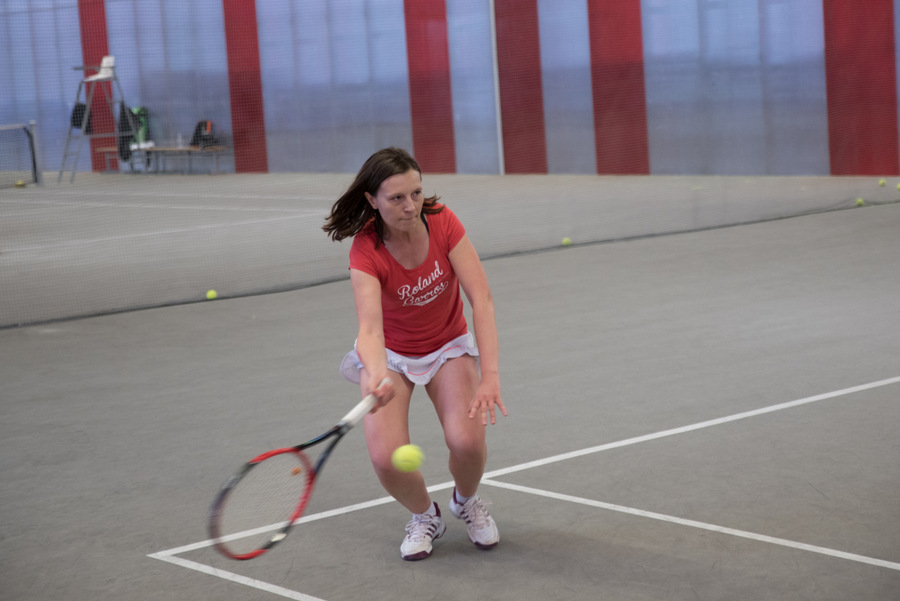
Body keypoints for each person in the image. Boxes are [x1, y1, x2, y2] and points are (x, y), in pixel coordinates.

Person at [323, 147, 507, 561]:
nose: (410, 206)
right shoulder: (366, 249)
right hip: (392, 354)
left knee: (467, 442)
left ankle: (466, 500)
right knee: (388, 459)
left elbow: (481, 298)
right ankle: (426, 515)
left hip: (447, 345)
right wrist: (374, 371)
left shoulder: (442, 221)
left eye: (416, 193)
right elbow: (370, 329)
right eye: (397, 198)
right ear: (372, 200)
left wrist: (491, 374)